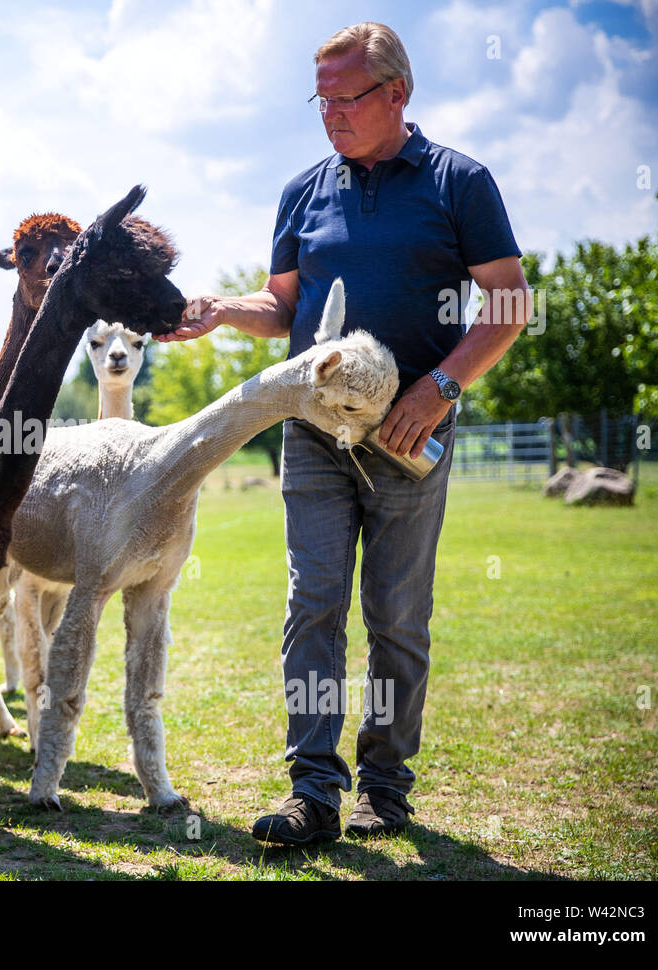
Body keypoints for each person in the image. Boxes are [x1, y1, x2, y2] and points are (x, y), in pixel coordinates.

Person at [156, 22, 531, 844]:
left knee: (396, 614)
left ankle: (385, 789)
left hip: (408, 432)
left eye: (345, 97)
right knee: (312, 605)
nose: (329, 115)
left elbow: (508, 302)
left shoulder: (459, 182)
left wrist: (439, 389)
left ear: (397, 92)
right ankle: (313, 791)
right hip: (313, 433)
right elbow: (283, 308)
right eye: (319, 99)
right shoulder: (302, 190)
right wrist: (223, 307)